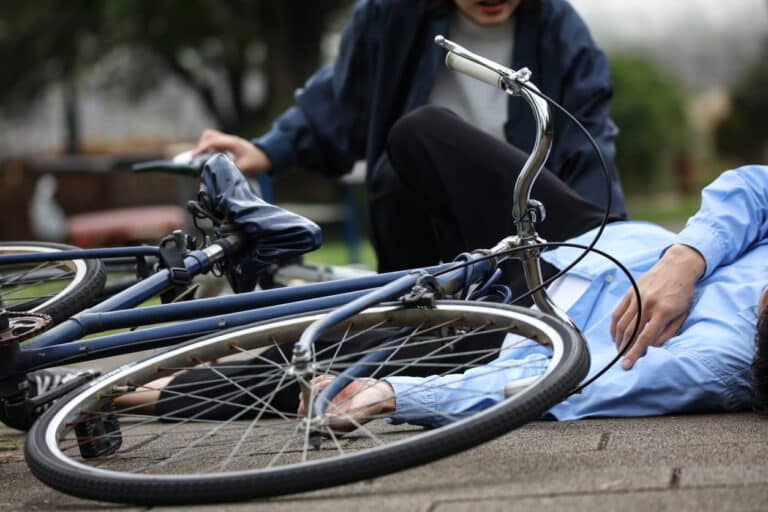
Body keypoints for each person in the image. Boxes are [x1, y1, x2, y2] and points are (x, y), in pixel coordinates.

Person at [303, 164, 768, 427]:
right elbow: (755, 186)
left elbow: (567, 387)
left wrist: (394, 395)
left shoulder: (716, 360)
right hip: (590, 243)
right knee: (421, 137)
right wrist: (684, 261)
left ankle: (236, 345)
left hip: (527, 329)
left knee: (307, 364)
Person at [191, 0, 627, 274]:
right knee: (403, 155)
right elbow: (343, 100)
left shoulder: (563, 33)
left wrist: (613, 251)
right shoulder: (390, 15)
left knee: (420, 130)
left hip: (526, 223)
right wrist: (268, 150)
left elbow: (590, 146)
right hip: (421, 226)